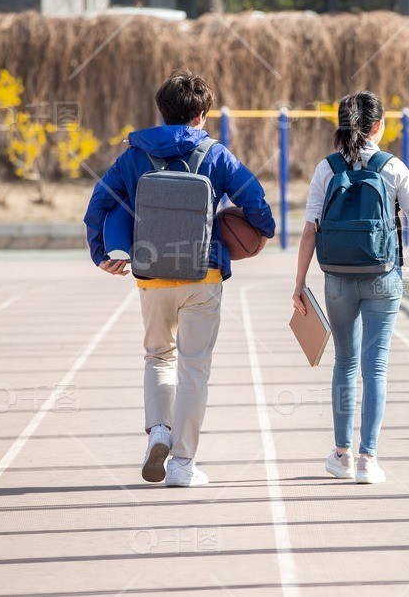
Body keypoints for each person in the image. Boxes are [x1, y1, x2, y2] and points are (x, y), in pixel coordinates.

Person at [83, 70, 275, 487]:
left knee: (158, 356)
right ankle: (183, 464)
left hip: (151, 273)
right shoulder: (217, 155)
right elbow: (256, 202)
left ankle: (158, 431)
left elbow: (96, 205)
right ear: (201, 116)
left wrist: (101, 254)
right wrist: (259, 232)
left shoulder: (133, 155)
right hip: (201, 273)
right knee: (194, 368)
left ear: (161, 111)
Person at [293, 91, 409, 484]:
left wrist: (299, 284)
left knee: (345, 363)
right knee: (376, 365)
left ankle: (341, 455)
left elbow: (309, 232)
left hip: (336, 277)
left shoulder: (326, 169)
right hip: (384, 276)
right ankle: (369, 460)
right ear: (378, 127)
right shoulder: (393, 168)